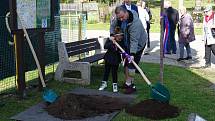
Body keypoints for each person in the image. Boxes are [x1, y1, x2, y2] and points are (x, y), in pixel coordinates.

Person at [112, 6, 147, 94]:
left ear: (126, 12)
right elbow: (113, 25)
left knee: (131, 66)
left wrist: (132, 54)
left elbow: (134, 41)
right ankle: (127, 83)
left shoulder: (135, 23)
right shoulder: (121, 18)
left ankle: (132, 86)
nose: (121, 19)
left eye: (122, 17)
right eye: (119, 17)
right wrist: (112, 34)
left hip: (137, 46)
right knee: (126, 64)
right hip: (128, 43)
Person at [98, 27, 124, 92]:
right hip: (108, 58)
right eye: (119, 36)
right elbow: (105, 46)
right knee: (106, 71)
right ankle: (104, 83)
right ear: (115, 36)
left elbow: (121, 49)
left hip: (116, 60)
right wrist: (112, 42)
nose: (120, 38)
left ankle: (114, 85)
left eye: (121, 36)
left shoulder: (121, 42)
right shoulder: (110, 40)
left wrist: (117, 45)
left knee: (114, 72)